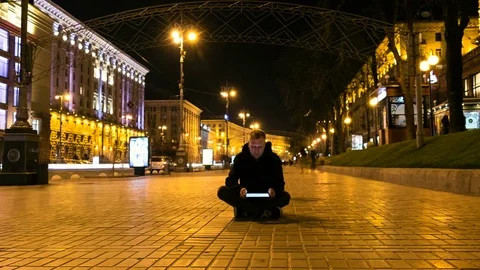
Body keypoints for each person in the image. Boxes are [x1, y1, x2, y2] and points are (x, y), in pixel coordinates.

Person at [217, 129, 290, 220]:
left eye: (259, 147)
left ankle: (247, 211)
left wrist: (274, 190)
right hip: (246, 197)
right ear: (248, 145)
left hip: (266, 197)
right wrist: (240, 189)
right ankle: (266, 212)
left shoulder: (274, 159)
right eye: (253, 147)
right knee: (222, 191)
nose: (256, 151)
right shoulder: (240, 158)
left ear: (265, 145)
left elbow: (280, 183)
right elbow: (230, 180)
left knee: (285, 196)